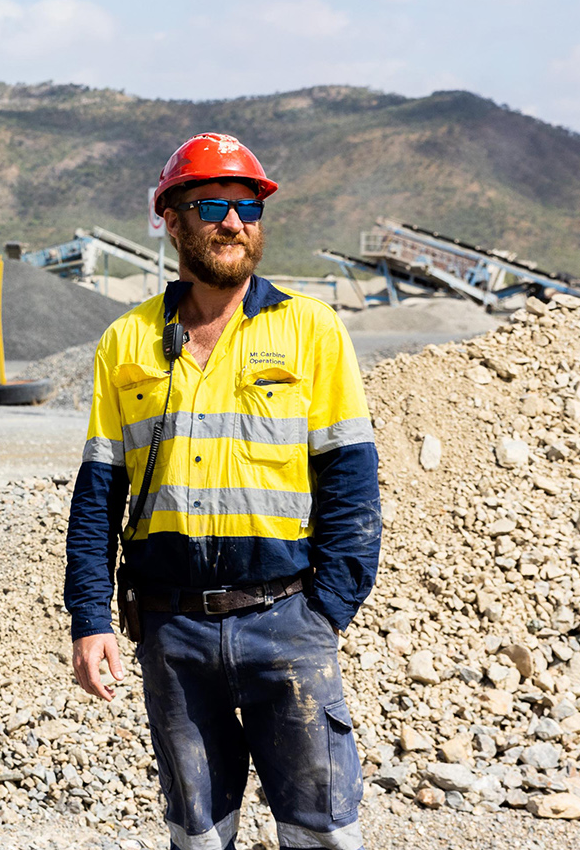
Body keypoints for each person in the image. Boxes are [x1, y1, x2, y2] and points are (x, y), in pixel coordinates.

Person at [63, 133, 381, 850]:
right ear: (171, 221)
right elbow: (98, 496)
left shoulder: (311, 331)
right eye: (212, 205)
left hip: (287, 622)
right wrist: (90, 616)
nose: (233, 222)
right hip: (173, 635)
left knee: (323, 833)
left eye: (247, 208)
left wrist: (326, 611)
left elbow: (352, 482)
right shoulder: (127, 342)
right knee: (199, 836)